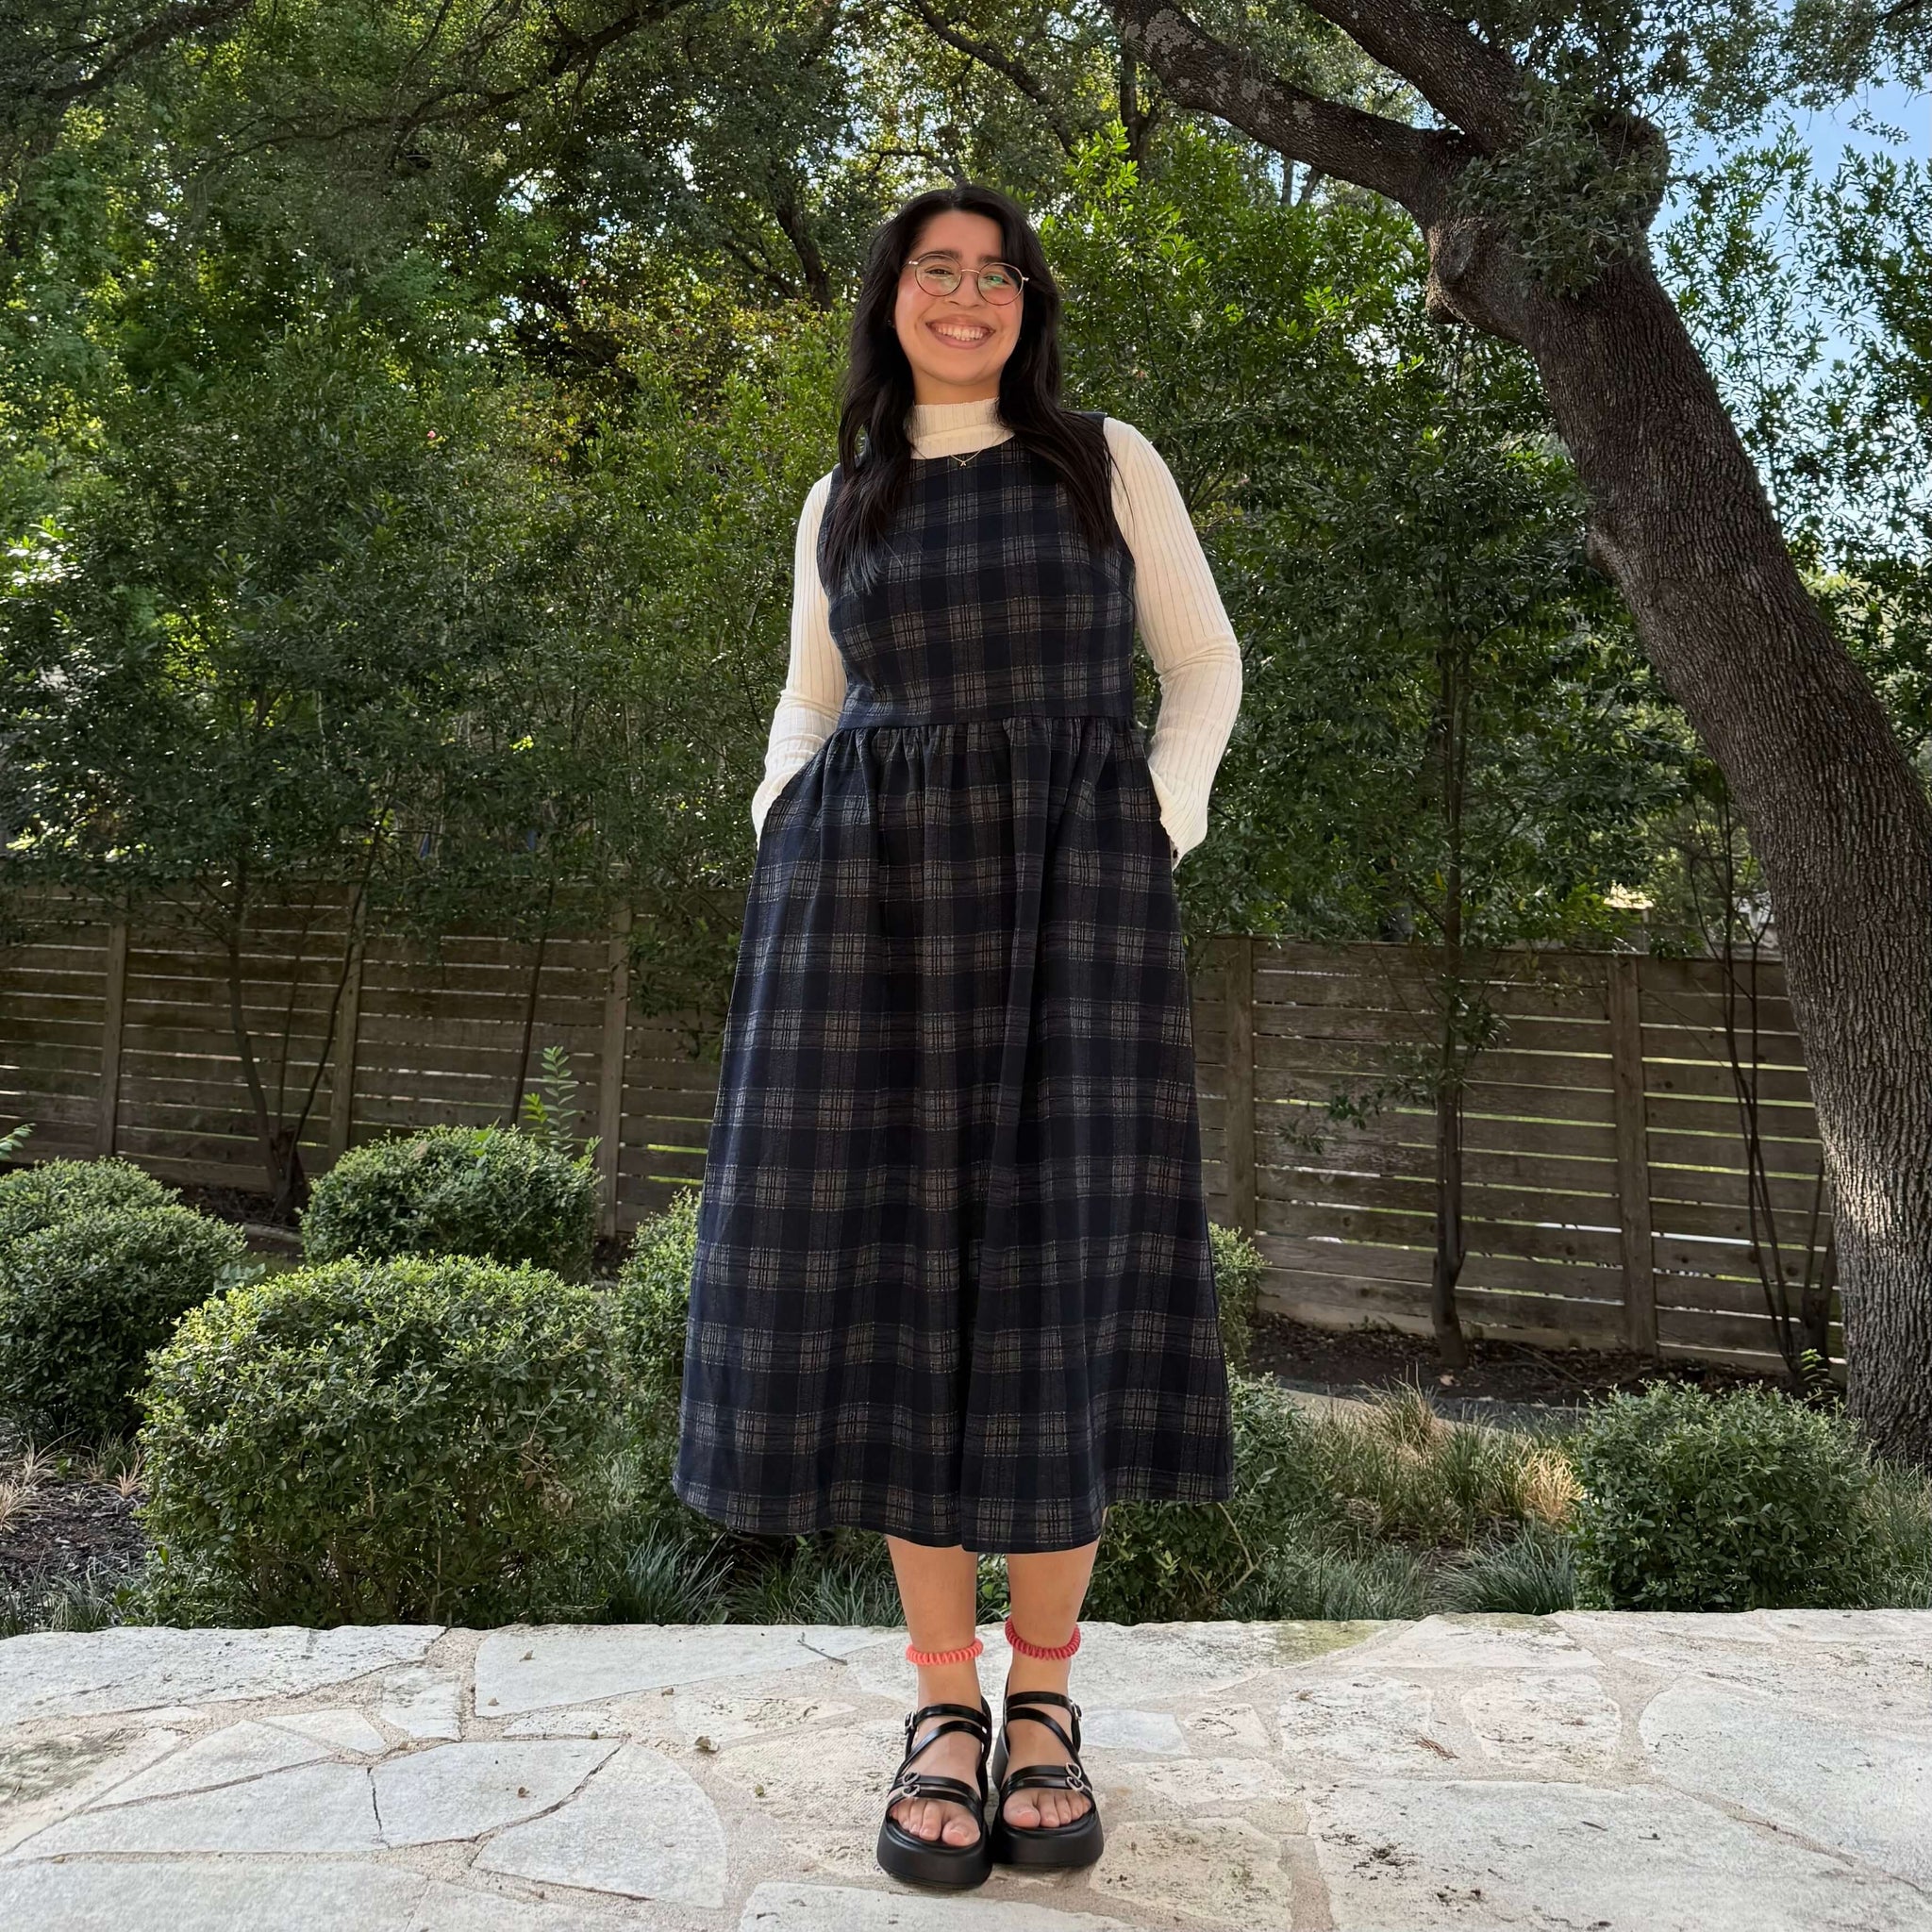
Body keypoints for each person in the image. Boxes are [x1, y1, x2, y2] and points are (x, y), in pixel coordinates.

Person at [672, 180, 1243, 1890]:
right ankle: (940, 1707)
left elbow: (1204, 671)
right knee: (902, 1287)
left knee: (1064, 1271)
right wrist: (783, 820)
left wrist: (1152, 823)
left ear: (1028, 302)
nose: (969, 295)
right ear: (893, 298)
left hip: (1078, 901)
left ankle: (1045, 1702)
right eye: (939, 269)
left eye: (997, 273)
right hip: (869, 915)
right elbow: (810, 695)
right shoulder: (841, 496)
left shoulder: (1105, 463)